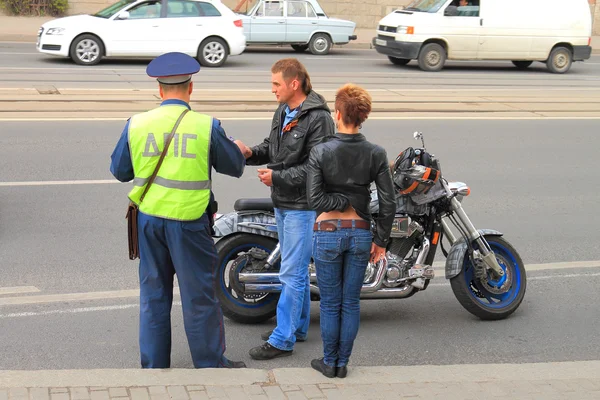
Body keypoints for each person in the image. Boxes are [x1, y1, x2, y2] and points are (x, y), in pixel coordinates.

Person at [109, 52, 247, 369]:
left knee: (154, 295)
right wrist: (236, 148)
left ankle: (155, 367)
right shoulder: (206, 126)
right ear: (191, 88)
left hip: (148, 222)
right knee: (199, 296)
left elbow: (120, 170)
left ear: (159, 90)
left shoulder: (136, 124)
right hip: (189, 223)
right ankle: (209, 365)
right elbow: (235, 166)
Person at [235, 58, 335, 360]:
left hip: (303, 207)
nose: (272, 90)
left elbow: (319, 167)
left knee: (290, 272)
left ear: (294, 84)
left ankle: (282, 339)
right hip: (284, 202)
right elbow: (272, 147)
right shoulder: (284, 110)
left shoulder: (319, 118)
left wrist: (277, 176)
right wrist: (250, 153)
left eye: (276, 84)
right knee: (297, 272)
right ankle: (297, 328)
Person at [306, 83, 396, 378]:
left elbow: (314, 200)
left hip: (328, 231)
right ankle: (343, 364)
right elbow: (388, 202)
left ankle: (329, 362)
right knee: (351, 301)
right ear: (362, 116)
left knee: (330, 303)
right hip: (360, 233)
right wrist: (381, 241)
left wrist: (338, 200)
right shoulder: (376, 153)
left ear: (338, 113)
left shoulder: (321, 151)